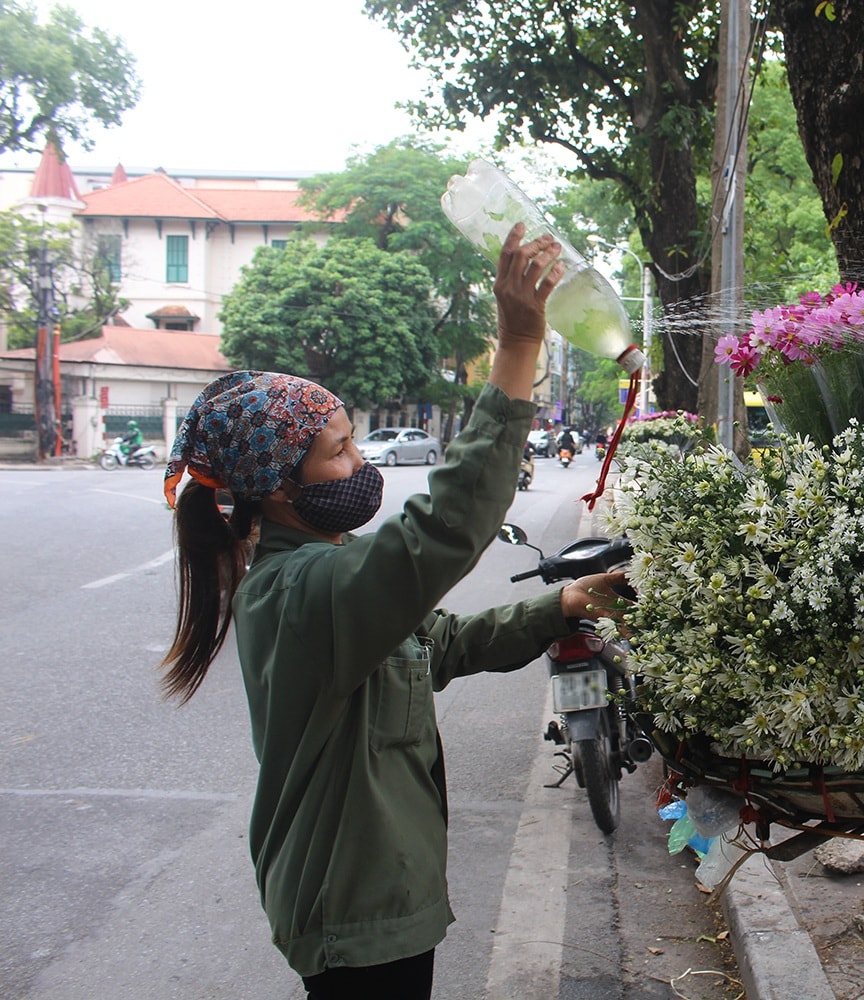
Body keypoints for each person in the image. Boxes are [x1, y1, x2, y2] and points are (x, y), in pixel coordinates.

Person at [158, 224, 626, 1000]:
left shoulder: (329, 572)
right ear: (278, 486)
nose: (360, 463)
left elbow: (437, 644)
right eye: (338, 451)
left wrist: (564, 604)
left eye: (354, 442)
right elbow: (445, 531)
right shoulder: (300, 591)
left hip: (384, 897)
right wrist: (516, 347)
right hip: (352, 908)